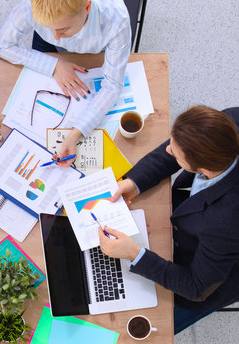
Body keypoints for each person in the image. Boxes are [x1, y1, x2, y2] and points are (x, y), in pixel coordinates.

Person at [97, 106, 239, 334]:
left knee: (154, 326)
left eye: (175, 152)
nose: (167, 149)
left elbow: (197, 286)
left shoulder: (224, 224)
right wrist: (135, 181)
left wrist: (136, 254)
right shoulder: (230, 123)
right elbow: (180, 147)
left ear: (204, 169)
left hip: (211, 279)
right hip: (206, 226)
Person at [0, 0, 131, 165]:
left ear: (86, 8)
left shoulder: (116, 18)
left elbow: (112, 85)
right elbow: (0, 44)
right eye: (50, 28)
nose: (56, 37)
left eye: (63, 29)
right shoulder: (32, 3)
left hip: (95, 53)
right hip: (50, 51)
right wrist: (53, 65)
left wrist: (76, 133)